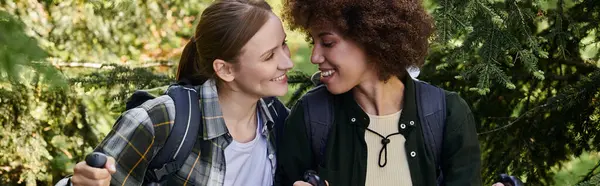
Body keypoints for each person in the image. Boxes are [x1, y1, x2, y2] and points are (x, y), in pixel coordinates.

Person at [56, 0, 293, 185]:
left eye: (283, 44)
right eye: (269, 56)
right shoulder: (159, 121)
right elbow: (92, 180)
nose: (287, 62)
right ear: (226, 69)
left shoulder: (279, 120)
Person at [274, 0, 483, 185]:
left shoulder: (447, 115)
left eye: (327, 43)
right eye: (313, 42)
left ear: (370, 38)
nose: (315, 57)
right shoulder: (310, 117)